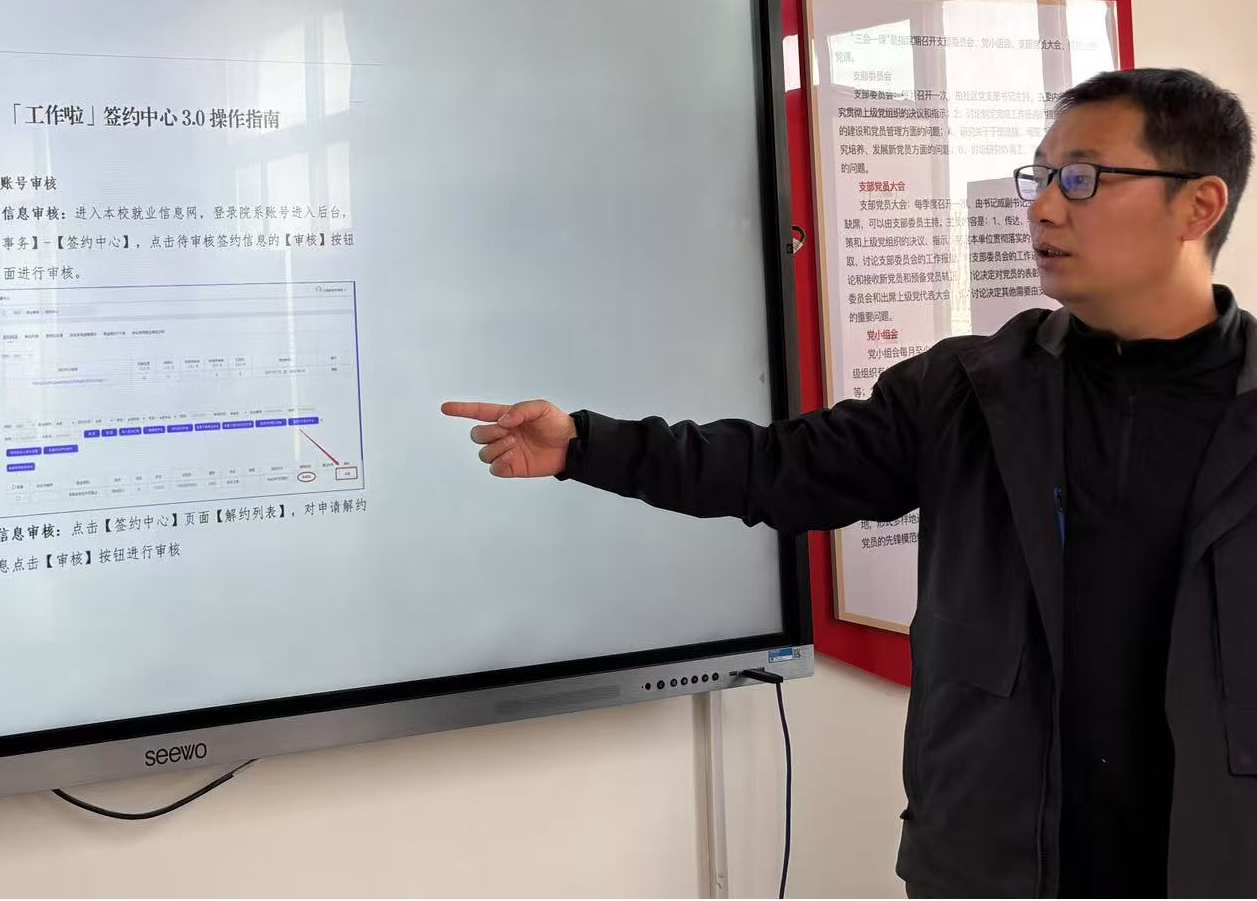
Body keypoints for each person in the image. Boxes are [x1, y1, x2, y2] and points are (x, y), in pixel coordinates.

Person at [444, 68, 1256, 900]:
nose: (1043, 207)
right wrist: (587, 445)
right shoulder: (971, 390)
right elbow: (781, 468)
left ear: (1197, 206)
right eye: (1040, 176)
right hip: (999, 865)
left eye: (1080, 178)